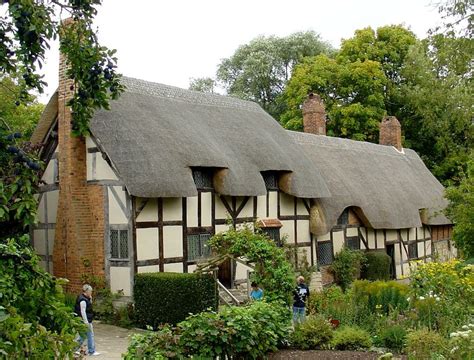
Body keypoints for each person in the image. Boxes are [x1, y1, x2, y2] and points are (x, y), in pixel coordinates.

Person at [74, 284, 100, 356]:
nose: (91, 293)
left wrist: (90, 299)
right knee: (90, 335)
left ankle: (73, 348)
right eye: (90, 291)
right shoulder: (83, 300)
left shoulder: (84, 298)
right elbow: (83, 311)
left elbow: (89, 308)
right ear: (87, 291)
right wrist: (86, 322)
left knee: (82, 336)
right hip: (84, 320)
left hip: (84, 320)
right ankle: (91, 351)